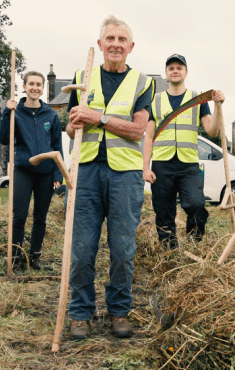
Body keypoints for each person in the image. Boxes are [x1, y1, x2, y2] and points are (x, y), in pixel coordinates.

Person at [65, 15, 154, 341]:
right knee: (82, 249)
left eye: (122, 40)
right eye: (110, 39)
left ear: (130, 47)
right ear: (101, 44)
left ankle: (119, 311)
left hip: (125, 176)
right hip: (86, 172)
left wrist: (97, 118)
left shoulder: (143, 82)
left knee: (122, 248)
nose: (116, 44)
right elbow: (71, 127)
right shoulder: (82, 76)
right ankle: (80, 314)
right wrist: (74, 122)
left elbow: (137, 129)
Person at [143, 54, 224, 250]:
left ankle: (193, 244)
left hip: (189, 165)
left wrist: (217, 106)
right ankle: (168, 252)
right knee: (163, 212)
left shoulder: (198, 99)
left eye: (179, 67)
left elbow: (212, 131)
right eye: (171, 68)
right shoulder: (155, 100)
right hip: (162, 164)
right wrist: (145, 167)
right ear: (166, 74)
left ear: (186, 72)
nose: (175, 70)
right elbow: (148, 137)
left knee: (196, 205)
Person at [0, 71, 63, 272]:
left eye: (39, 84)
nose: (35, 88)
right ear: (24, 87)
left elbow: (57, 146)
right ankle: (17, 258)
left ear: (43, 88)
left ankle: (35, 257)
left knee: (40, 217)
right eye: (31, 84)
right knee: (19, 216)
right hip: (24, 170)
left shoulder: (50, 114)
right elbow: (3, 139)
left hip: (45, 172)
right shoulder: (16, 111)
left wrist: (58, 175)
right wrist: (7, 113)